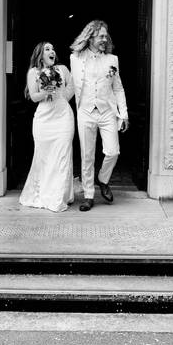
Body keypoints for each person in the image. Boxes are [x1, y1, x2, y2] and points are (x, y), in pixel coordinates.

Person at [70, 20, 128, 212]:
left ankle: (102, 180)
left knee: (113, 151)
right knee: (86, 156)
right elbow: (70, 86)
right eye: (101, 36)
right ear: (91, 37)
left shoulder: (112, 60)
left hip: (107, 112)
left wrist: (124, 114)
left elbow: (118, 88)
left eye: (106, 36)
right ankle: (88, 195)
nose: (105, 39)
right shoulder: (75, 58)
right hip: (85, 112)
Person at [19, 42, 75, 212]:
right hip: (44, 119)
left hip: (63, 117)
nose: (52, 51)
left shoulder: (63, 69)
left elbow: (72, 87)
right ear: (40, 55)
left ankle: (60, 196)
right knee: (44, 157)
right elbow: (34, 96)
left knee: (62, 155)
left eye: (53, 48)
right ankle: (43, 193)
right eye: (47, 49)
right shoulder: (33, 72)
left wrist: (61, 98)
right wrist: (47, 92)